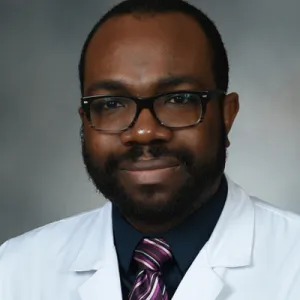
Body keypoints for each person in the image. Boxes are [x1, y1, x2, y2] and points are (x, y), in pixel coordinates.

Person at [1, 0, 300, 299]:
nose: (144, 132)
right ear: (86, 121)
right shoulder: (15, 271)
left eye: (179, 99)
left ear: (226, 114)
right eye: (111, 104)